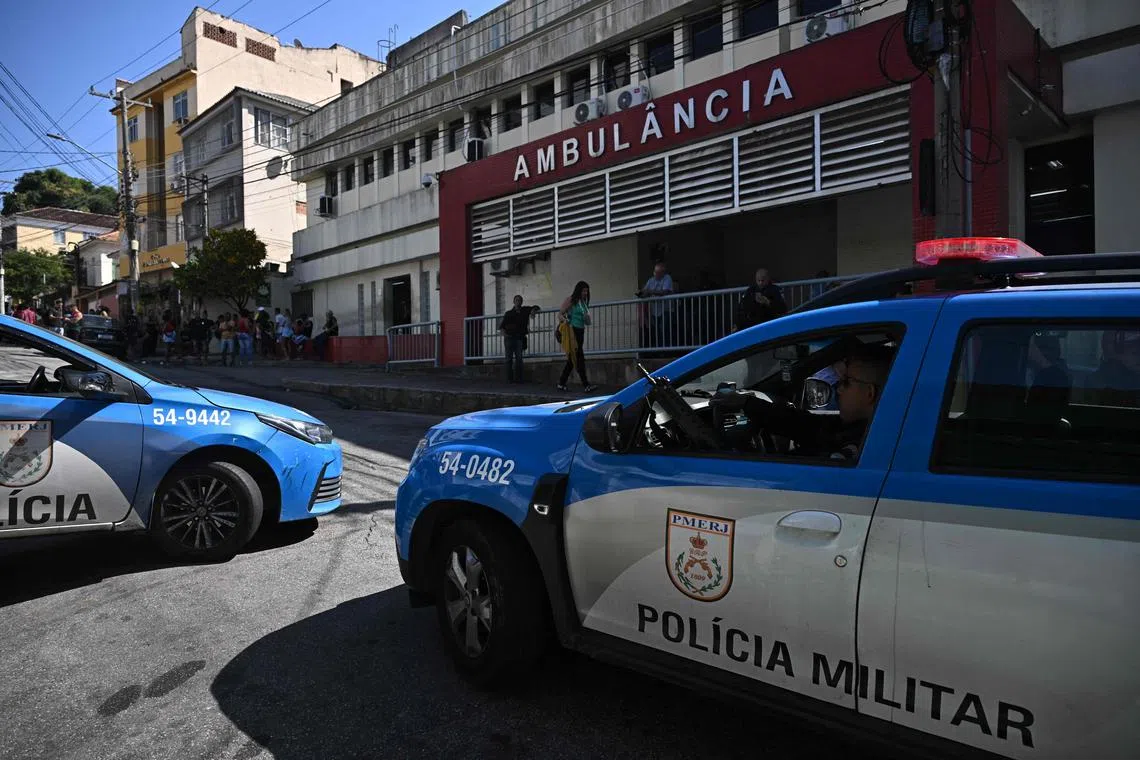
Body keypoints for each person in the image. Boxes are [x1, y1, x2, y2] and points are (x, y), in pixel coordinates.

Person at [713, 344, 894, 462]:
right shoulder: (866, 432)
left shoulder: (854, 450)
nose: (838, 389)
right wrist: (746, 402)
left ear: (870, 393)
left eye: (846, 382)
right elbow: (805, 425)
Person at [557, 281, 597, 393]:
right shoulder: (571, 300)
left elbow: (587, 321)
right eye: (583, 291)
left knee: (572, 359)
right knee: (579, 357)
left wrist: (587, 318)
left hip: (580, 331)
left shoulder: (583, 303)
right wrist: (566, 320)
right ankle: (586, 385)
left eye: (586, 291)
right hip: (572, 331)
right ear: (578, 290)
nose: (585, 293)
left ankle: (561, 382)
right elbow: (560, 314)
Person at [499, 295, 539, 383]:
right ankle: (509, 379)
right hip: (509, 338)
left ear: (522, 302)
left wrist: (533, 311)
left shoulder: (525, 310)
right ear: (514, 302)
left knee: (519, 359)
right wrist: (505, 335)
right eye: (516, 300)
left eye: (520, 300)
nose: (518, 302)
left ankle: (519, 379)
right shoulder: (509, 313)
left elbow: (536, 306)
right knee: (508, 359)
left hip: (519, 338)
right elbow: (502, 327)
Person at [637, 261, 675, 348]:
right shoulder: (651, 280)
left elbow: (664, 292)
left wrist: (650, 292)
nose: (656, 274)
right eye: (655, 272)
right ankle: (658, 350)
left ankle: (666, 350)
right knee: (656, 331)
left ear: (663, 272)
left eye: (658, 272)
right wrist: (641, 293)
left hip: (666, 310)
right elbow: (644, 290)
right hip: (654, 311)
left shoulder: (667, 278)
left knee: (665, 330)